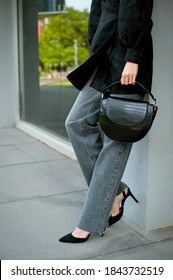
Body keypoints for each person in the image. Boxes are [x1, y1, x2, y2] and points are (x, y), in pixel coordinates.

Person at [59, 0, 154, 243]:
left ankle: (88, 223)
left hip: (127, 59)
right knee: (76, 122)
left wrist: (134, 56)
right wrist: (96, 45)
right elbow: (98, 13)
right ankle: (117, 190)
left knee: (117, 138)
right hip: (103, 57)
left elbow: (138, 10)